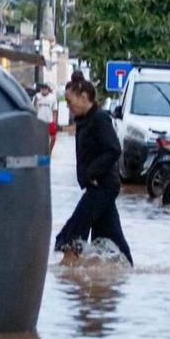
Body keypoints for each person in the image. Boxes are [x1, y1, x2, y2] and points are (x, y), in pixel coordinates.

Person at [53, 73, 132, 264]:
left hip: (103, 185)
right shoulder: (83, 121)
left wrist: (91, 173)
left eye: (70, 102)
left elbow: (114, 149)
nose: (68, 107)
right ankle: (124, 272)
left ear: (84, 97)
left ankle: (67, 268)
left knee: (75, 229)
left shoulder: (99, 118)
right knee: (109, 234)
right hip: (95, 185)